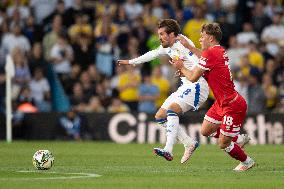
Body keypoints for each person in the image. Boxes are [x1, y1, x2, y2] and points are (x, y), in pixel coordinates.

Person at [118, 19, 209, 163]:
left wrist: (185, 70)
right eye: (158, 34)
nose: (159, 37)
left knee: (172, 110)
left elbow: (201, 62)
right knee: (160, 116)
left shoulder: (183, 43)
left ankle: (168, 149)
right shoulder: (167, 47)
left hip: (198, 85)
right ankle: (189, 143)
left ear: (172, 34)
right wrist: (131, 62)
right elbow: (152, 54)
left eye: (162, 34)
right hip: (186, 85)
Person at [171, 23, 255, 171]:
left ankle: (247, 161)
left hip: (232, 105)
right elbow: (203, 60)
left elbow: (193, 78)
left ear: (210, 38)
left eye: (202, 36)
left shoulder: (211, 54)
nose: (200, 39)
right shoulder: (218, 50)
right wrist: (190, 49)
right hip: (221, 103)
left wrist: (181, 67)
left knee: (223, 143)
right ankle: (238, 139)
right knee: (205, 131)